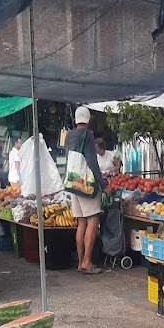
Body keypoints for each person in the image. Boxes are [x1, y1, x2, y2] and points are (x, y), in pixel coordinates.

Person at [64, 107, 109, 274]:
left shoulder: (69, 135)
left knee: (81, 223)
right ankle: (87, 262)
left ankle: (80, 262)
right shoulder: (88, 135)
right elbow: (91, 161)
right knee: (93, 221)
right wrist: (103, 185)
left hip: (73, 182)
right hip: (86, 184)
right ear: (88, 119)